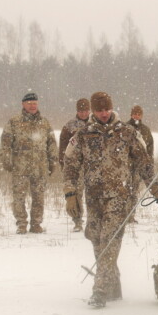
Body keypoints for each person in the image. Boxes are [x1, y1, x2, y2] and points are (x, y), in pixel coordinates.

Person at [62, 92, 158, 308]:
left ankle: (100, 290)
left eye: (106, 109)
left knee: (109, 241)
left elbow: (144, 164)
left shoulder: (128, 133)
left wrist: (156, 189)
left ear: (111, 108)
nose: (103, 114)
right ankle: (114, 288)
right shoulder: (82, 135)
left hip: (120, 197)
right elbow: (70, 165)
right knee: (97, 240)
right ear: (93, 110)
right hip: (93, 198)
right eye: (99, 110)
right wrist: (70, 194)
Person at [0, 92, 57, 234]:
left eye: (35, 103)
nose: (33, 106)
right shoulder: (14, 122)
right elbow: (5, 143)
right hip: (20, 167)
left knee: (39, 197)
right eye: (30, 103)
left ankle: (36, 224)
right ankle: (21, 224)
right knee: (19, 197)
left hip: (40, 167)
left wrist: (53, 161)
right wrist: (6, 160)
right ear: (23, 104)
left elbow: (51, 143)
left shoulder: (44, 123)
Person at [59, 98, 90, 232]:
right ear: (77, 111)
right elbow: (63, 148)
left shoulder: (96, 123)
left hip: (92, 166)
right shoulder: (69, 126)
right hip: (75, 166)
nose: (83, 113)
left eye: (86, 111)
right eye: (80, 111)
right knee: (76, 194)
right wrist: (63, 164)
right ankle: (77, 221)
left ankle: (95, 221)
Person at [126, 105, 155, 223]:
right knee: (125, 191)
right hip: (126, 166)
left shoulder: (145, 130)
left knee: (134, 191)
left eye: (138, 114)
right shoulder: (125, 127)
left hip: (139, 166)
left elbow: (150, 147)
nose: (136, 116)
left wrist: (149, 161)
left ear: (141, 115)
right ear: (131, 114)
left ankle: (131, 215)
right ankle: (123, 215)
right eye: (134, 113)